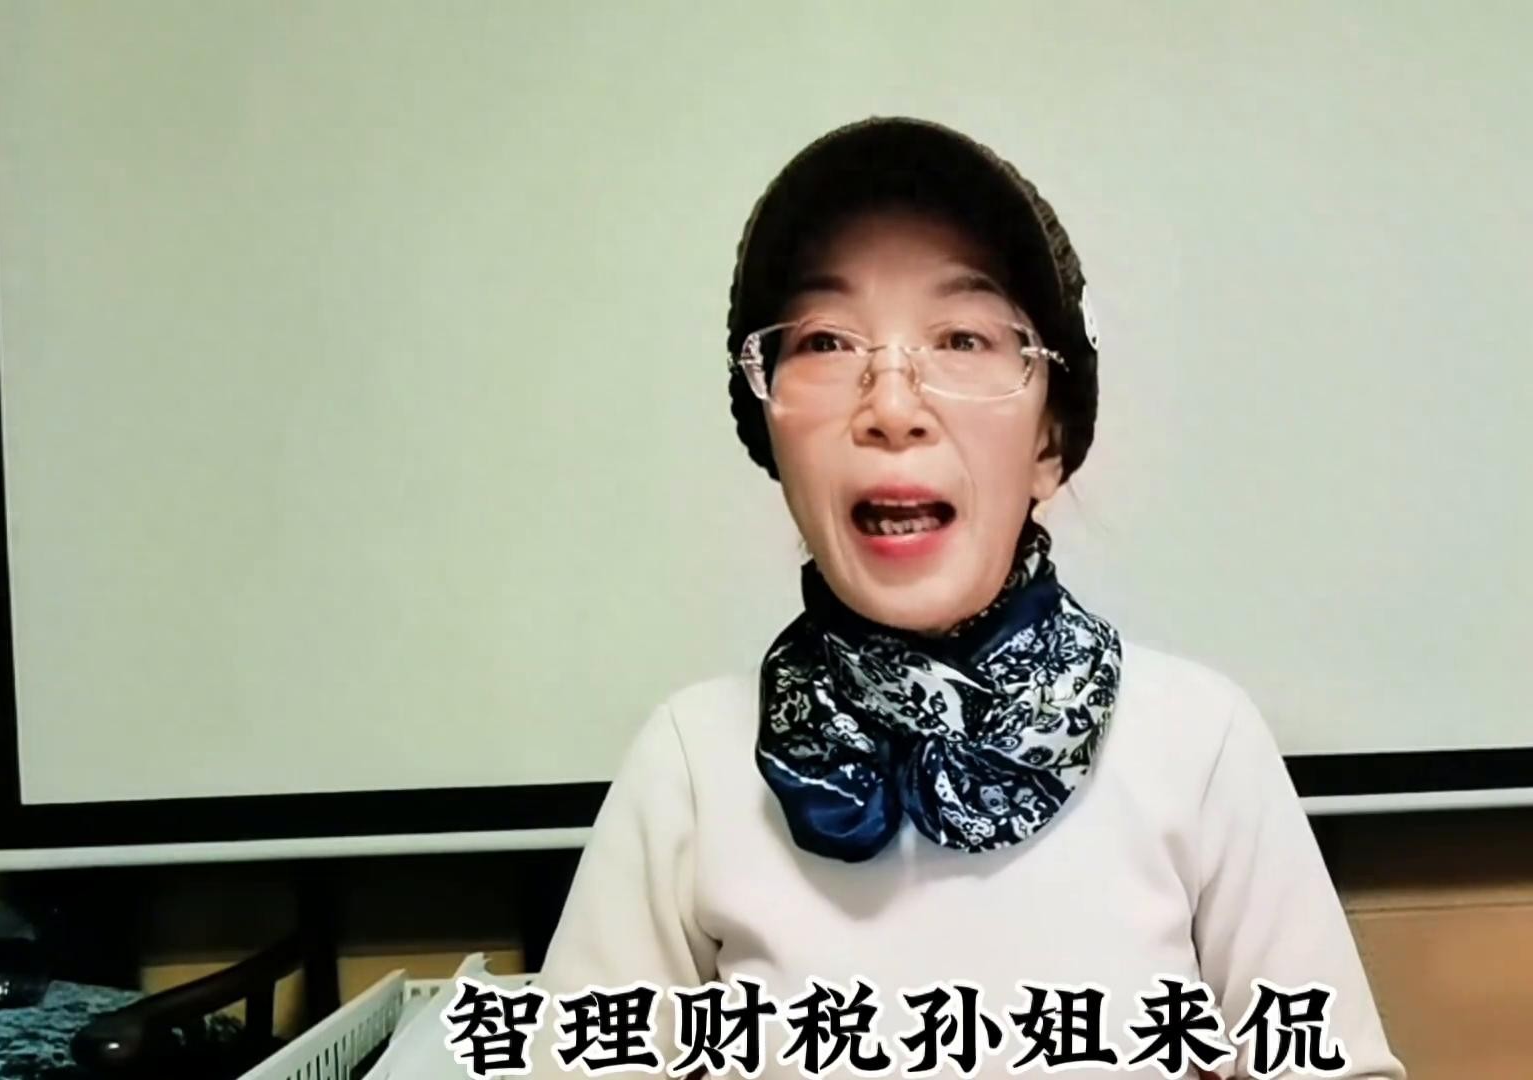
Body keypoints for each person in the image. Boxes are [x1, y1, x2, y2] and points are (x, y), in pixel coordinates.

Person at [535, 116, 1406, 1079]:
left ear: (1050, 440)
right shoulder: (693, 768)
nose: (891, 406)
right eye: (825, 340)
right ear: (768, 423)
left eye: (962, 338)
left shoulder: (1198, 747)